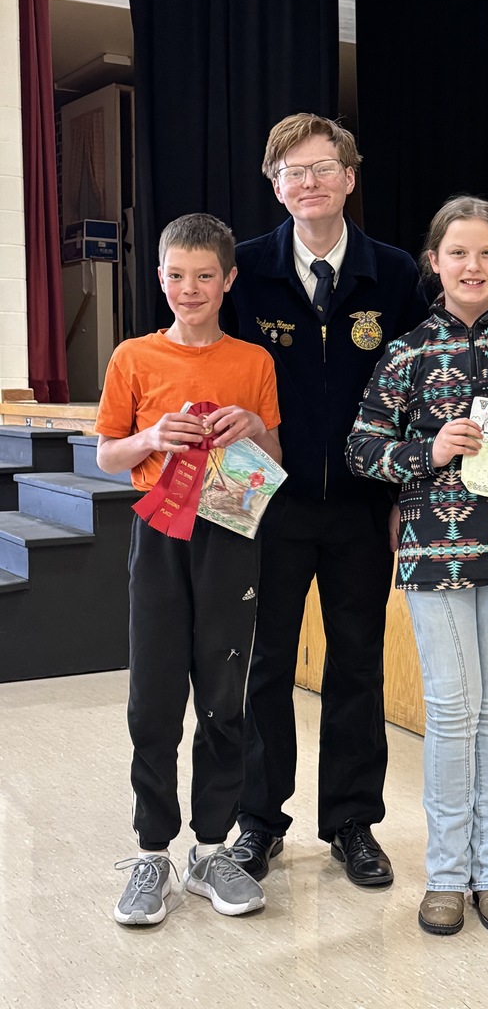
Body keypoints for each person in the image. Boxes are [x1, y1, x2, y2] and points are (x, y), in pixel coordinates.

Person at [346, 196, 488, 935]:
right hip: (433, 557)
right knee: (451, 712)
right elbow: (362, 448)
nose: (471, 266)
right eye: (457, 253)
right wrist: (429, 450)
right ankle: (447, 875)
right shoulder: (407, 351)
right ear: (434, 262)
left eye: (486, 253)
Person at [224, 113, 428, 888]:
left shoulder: (396, 274)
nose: (307, 183)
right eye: (291, 172)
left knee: (358, 666)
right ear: (274, 186)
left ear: (349, 176)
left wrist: (405, 493)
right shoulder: (243, 270)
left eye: (321, 169)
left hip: (362, 508)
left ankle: (352, 822)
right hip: (267, 505)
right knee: (265, 664)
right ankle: (257, 821)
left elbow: (421, 395)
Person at [96, 213, 282, 925]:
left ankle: (210, 848)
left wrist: (253, 427)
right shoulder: (133, 357)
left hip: (231, 534)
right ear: (160, 277)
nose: (190, 288)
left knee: (223, 694)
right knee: (153, 694)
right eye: (177, 275)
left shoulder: (253, 362)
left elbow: (274, 458)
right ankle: (153, 852)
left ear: (229, 280)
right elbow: (108, 455)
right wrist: (150, 436)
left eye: (205, 276)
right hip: (158, 537)